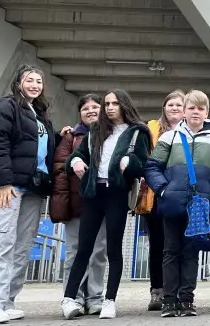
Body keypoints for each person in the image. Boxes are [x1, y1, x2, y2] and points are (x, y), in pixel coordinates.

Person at [0, 65, 56, 325]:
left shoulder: (40, 114)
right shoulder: (6, 105)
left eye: (39, 81)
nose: (34, 84)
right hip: (11, 186)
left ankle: (8, 301)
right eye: (29, 80)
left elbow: (38, 146)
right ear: (18, 83)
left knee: (22, 247)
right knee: (3, 243)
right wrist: (2, 182)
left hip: (34, 187)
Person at [60, 89, 150, 320]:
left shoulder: (136, 132)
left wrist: (129, 163)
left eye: (115, 103)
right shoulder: (95, 132)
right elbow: (74, 157)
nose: (109, 107)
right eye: (107, 103)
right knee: (84, 248)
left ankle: (109, 300)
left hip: (117, 194)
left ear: (124, 106)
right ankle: (69, 299)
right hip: (93, 193)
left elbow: (143, 166)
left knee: (113, 249)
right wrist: (78, 161)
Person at [145, 90, 210, 317]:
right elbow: (152, 166)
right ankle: (169, 301)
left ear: (207, 112)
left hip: (200, 205)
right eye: (192, 107)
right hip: (172, 203)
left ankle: (187, 300)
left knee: (191, 251)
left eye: (201, 108)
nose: (196, 112)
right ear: (184, 111)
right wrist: (163, 190)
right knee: (171, 251)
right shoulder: (169, 137)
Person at [50, 94, 108, 316]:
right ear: (79, 113)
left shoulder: (110, 135)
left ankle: (95, 298)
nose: (91, 110)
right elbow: (59, 168)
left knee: (98, 252)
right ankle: (73, 297)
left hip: (101, 204)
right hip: (76, 205)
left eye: (96, 106)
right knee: (75, 252)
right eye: (86, 108)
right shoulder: (70, 137)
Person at [143, 91, 187, 312]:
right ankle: (158, 290)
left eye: (179, 104)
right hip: (156, 196)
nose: (174, 108)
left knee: (182, 244)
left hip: (184, 196)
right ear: (164, 107)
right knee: (158, 245)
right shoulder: (150, 129)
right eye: (170, 104)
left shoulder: (193, 132)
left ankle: (180, 291)